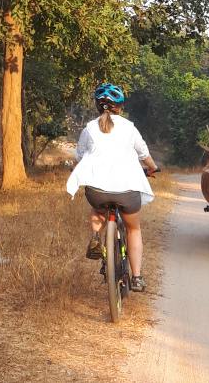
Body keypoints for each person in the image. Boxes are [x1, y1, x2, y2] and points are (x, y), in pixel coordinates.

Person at [66, 83, 158, 292]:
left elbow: (79, 157)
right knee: (133, 228)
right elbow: (144, 155)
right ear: (120, 107)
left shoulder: (89, 128)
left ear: (98, 107)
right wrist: (153, 169)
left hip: (97, 192)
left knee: (98, 208)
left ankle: (96, 236)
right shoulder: (129, 127)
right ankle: (136, 277)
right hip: (127, 191)